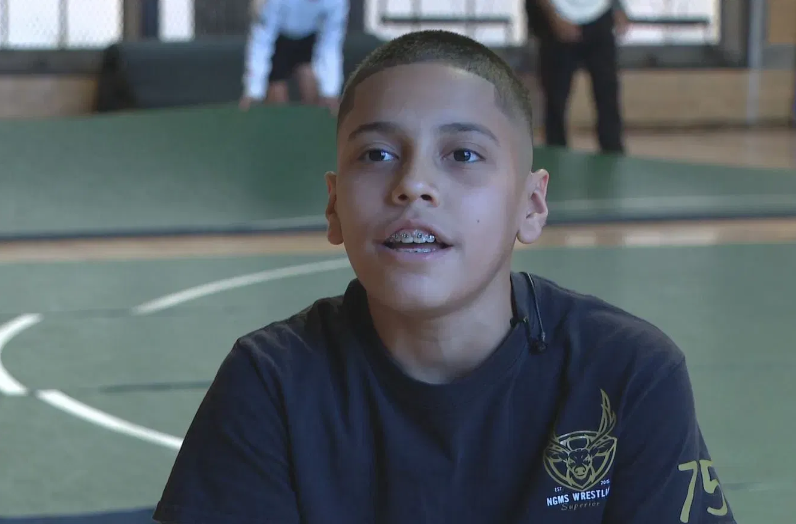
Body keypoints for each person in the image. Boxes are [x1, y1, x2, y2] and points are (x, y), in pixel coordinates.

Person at [153, 30, 736, 524]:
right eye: (378, 154)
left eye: (461, 154)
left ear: (530, 206)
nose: (413, 184)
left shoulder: (627, 373)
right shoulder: (271, 385)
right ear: (333, 206)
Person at [526, 0, 629, 153]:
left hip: (598, 19)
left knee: (607, 91)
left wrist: (617, 8)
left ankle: (613, 151)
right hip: (555, 22)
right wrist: (554, 17)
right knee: (555, 98)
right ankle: (556, 153)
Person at [240, 0, 349, 114]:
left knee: (313, 97)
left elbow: (331, 44)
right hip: (278, 44)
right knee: (278, 107)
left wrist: (330, 92)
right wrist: (254, 91)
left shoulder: (337, 2)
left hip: (307, 43)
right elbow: (261, 42)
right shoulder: (275, 2)